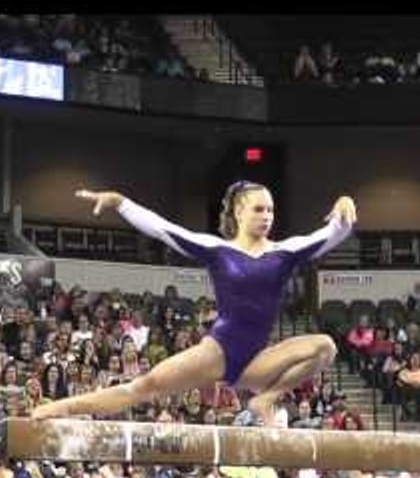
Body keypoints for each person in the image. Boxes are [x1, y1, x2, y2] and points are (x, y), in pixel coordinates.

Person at [33, 182, 356, 426]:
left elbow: (333, 233)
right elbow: (163, 230)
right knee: (143, 387)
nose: (267, 216)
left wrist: (344, 206)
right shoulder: (217, 249)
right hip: (216, 353)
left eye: (271, 210)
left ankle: (266, 400)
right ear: (239, 212)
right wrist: (120, 202)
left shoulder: (285, 252)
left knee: (325, 347)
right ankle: (59, 408)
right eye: (259, 209)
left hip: (256, 363)